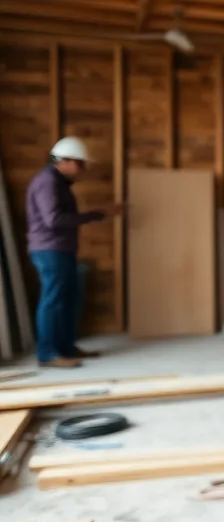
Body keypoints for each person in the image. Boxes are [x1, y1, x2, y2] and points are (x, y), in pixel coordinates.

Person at [25, 137, 121, 369]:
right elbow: (54, 219)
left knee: (67, 299)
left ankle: (66, 348)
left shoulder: (58, 183)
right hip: (49, 249)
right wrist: (92, 216)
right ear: (63, 161)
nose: (82, 168)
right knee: (53, 300)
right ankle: (47, 354)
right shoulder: (47, 182)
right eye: (79, 163)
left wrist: (94, 214)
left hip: (60, 249)